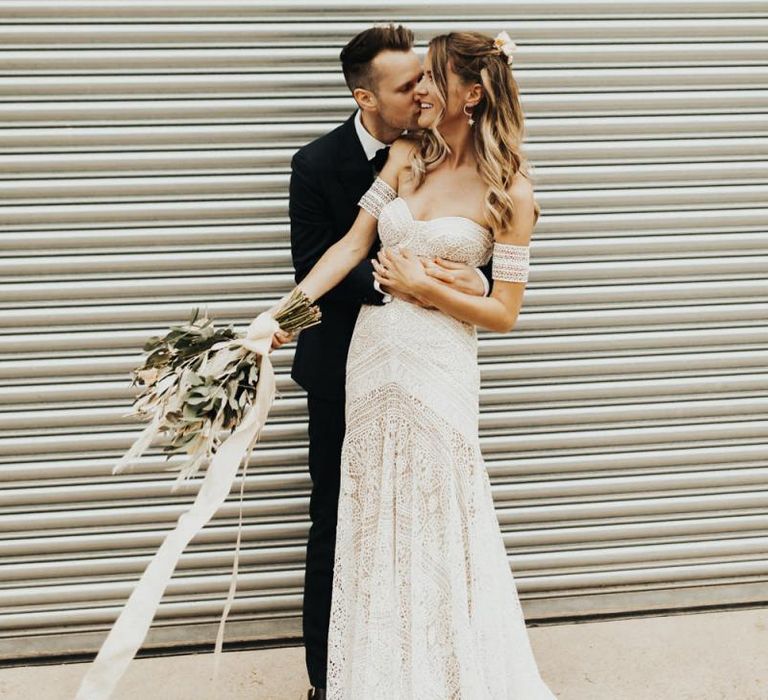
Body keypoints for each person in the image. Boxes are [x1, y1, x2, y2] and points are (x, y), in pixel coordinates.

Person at [274, 26, 557, 698]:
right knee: (371, 521)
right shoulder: (405, 157)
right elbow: (345, 250)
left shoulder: (511, 190)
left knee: (436, 519)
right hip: (373, 362)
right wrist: (275, 323)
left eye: (431, 77)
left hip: (440, 369)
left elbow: (507, 313)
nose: (420, 91)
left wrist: (425, 287)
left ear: (473, 93)